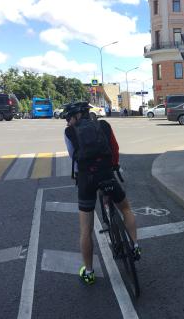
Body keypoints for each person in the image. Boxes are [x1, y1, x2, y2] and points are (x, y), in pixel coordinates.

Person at [63, 101, 140, 285]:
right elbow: (115, 148)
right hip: (106, 173)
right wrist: (113, 166)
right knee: (126, 208)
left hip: (86, 180)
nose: (67, 122)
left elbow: (73, 158)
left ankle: (89, 272)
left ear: (76, 116)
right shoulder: (104, 125)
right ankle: (135, 246)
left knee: (86, 230)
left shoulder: (69, 132)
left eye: (68, 118)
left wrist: (79, 176)